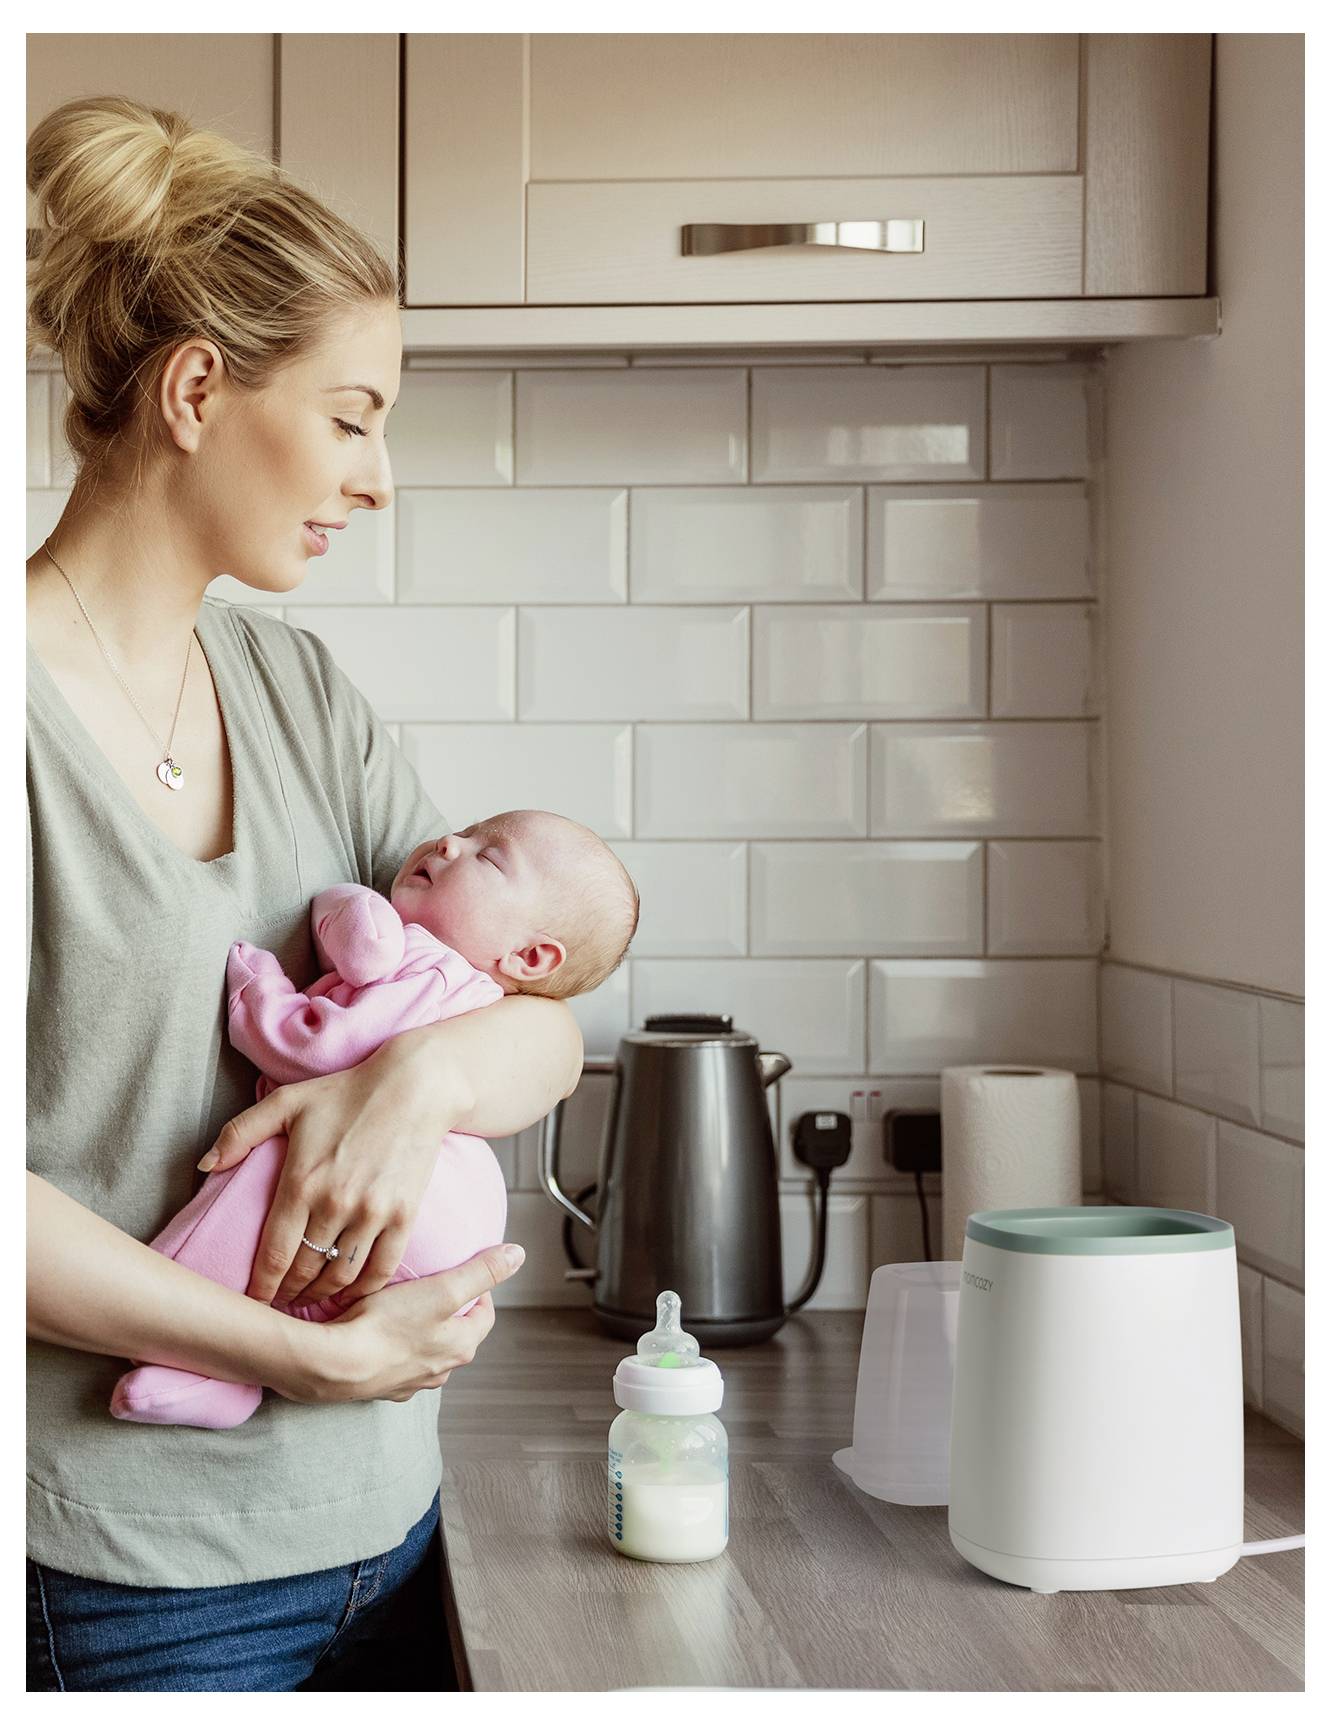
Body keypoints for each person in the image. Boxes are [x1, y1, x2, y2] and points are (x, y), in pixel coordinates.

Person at [26, 94, 585, 1691]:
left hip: (395, 1534)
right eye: (352, 417)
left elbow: (538, 1018)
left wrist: (416, 1082)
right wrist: (299, 1357)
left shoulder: (296, 687)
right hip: (128, 1587)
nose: (380, 476)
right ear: (199, 390)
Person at [108, 810, 639, 1429]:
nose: (450, 842)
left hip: (416, 1215)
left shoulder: (430, 969)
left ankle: (197, 1357)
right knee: (295, 1266)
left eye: (488, 858)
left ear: (529, 956)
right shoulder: (470, 993)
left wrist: (259, 990)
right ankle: (241, 1367)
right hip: (446, 1231)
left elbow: (315, 1048)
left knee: (250, 1187)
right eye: (466, 832)